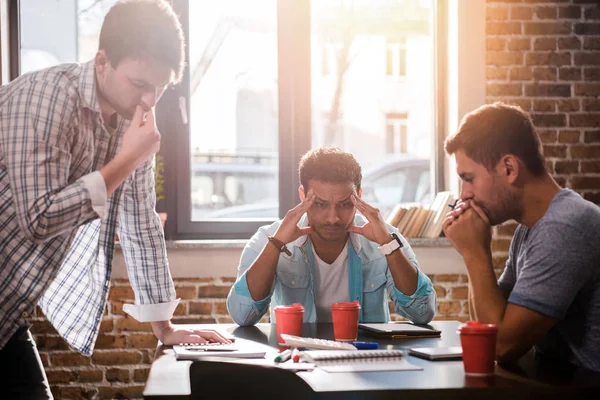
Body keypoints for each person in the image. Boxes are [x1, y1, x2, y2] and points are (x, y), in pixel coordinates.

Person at [0, 1, 228, 397]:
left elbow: (140, 222)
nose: (150, 100)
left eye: (161, 86)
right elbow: (38, 219)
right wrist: (127, 160)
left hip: (8, 311)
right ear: (101, 61)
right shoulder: (46, 100)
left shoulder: (130, 121)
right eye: (140, 84)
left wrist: (165, 328)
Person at [443, 102, 600, 371]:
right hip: (554, 380)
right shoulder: (528, 229)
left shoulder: (565, 227)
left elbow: (501, 346)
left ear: (509, 168)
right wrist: (473, 250)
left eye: (468, 178)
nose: (464, 194)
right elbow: (488, 324)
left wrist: (474, 252)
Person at [227, 147, 436, 326]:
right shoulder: (270, 237)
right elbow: (242, 315)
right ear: (303, 196)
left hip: (365, 360)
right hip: (296, 359)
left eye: (344, 204)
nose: (333, 218)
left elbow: (422, 313)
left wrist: (388, 245)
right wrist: (276, 244)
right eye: (320, 204)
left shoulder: (385, 238)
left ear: (359, 196)